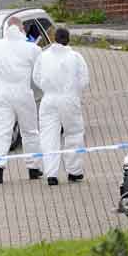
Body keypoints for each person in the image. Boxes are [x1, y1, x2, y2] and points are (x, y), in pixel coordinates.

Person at [0, 17, 43, 184]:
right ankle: (33, 168)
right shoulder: (31, 48)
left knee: (1, 132)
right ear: (22, 28)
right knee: (30, 131)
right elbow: (39, 67)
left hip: (2, 93)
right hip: (23, 92)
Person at [32, 27, 90, 186]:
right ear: (68, 39)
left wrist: (48, 89)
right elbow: (84, 80)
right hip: (69, 99)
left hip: (49, 99)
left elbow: (36, 77)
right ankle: (74, 171)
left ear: (54, 39)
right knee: (73, 134)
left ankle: (51, 174)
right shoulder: (76, 57)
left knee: (49, 136)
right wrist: (73, 90)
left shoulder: (43, 57)